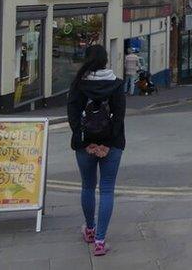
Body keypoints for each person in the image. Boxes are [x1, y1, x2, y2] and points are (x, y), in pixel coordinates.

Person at [67, 45, 126, 256]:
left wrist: (86, 141)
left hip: (84, 145)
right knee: (107, 189)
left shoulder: (78, 84)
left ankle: (90, 230)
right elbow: (119, 117)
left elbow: (73, 117)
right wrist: (107, 144)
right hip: (112, 145)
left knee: (88, 187)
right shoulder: (117, 84)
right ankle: (100, 242)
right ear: (105, 61)